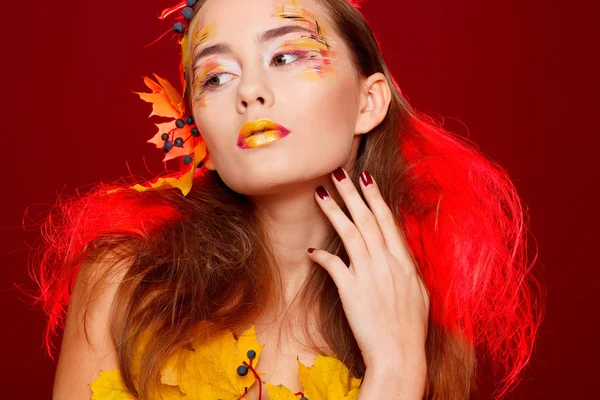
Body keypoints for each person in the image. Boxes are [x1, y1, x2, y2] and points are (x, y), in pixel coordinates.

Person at [32, 0, 544, 399]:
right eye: (216, 76)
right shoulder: (126, 284)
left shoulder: (420, 321)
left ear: (368, 104)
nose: (249, 92)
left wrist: (399, 365)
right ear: (198, 132)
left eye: (286, 55)